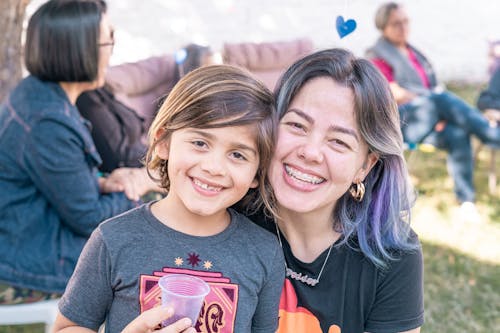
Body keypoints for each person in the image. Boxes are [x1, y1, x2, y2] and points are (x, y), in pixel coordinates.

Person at [53, 65, 285, 332]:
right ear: (163, 141)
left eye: (238, 155)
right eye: (200, 143)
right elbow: (66, 327)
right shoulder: (114, 239)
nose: (214, 167)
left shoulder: (264, 253)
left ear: (257, 172)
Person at [242, 48, 424, 332]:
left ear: (365, 165)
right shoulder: (227, 217)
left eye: (339, 141)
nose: (311, 152)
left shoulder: (392, 253)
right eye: (297, 125)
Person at [0, 0, 159, 304]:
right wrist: (140, 184)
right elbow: (89, 218)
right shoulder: (48, 121)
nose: (112, 49)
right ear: (77, 48)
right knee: (154, 218)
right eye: (107, 39)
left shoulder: (39, 93)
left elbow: (51, 180)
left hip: (30, 232)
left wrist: (105, 180)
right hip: (29, 262)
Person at [365, 2, 500, 219]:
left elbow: (432, 84)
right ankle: (491, 133)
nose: (403, 27)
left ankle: (466, 200)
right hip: (400, 122)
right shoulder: (376, 55)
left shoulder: (413, 52)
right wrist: (432, 104)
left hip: (426, 117)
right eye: (396, 23)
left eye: (405, 21)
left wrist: (436, 110)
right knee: (439, 99)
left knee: (457, 134)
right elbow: (391, 92)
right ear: (383, 27)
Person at [76, 44, 216, 173]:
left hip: (139, 139)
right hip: (120, 122)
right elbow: (113, 78)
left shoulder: (195, 97)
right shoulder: (167, 66)